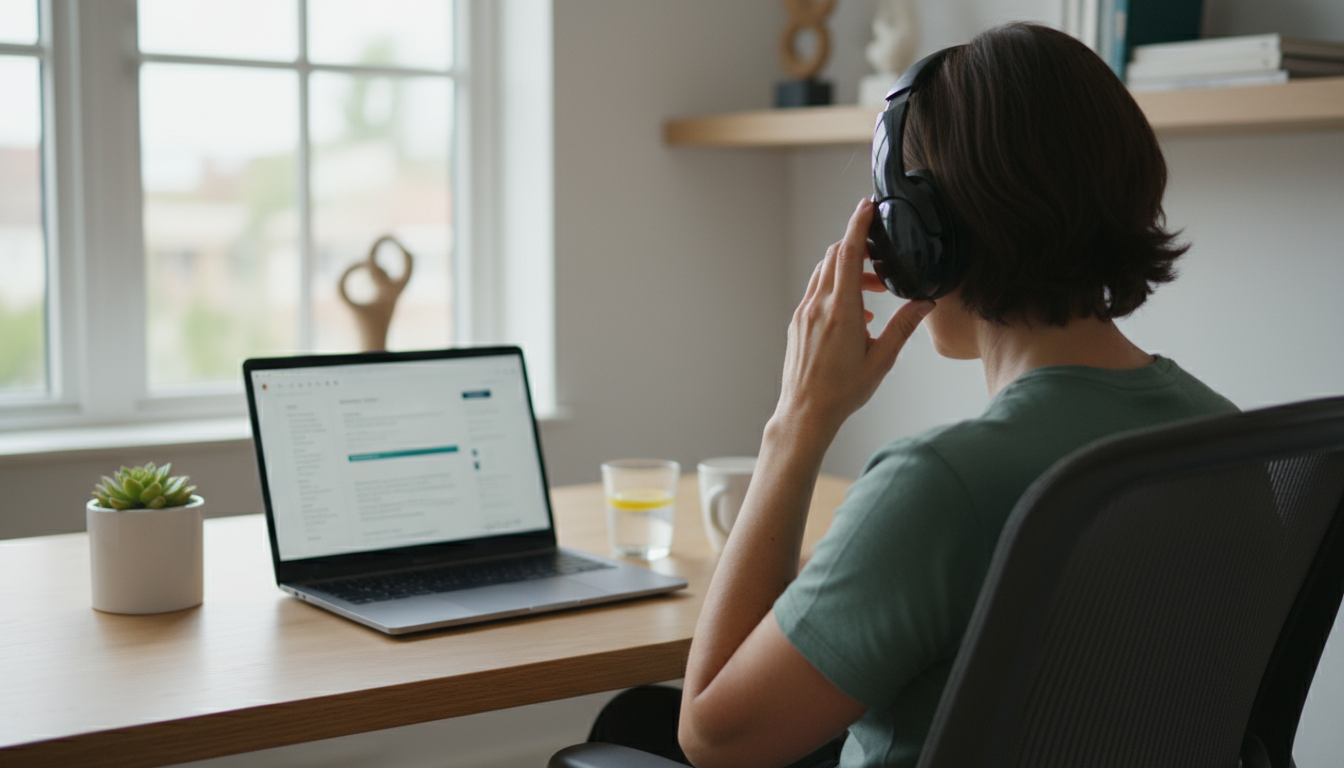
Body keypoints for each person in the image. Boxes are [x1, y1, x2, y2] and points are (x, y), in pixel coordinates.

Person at [588, 22, 1238, 768]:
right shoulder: (1225, 436)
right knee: (634, 719)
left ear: (927, 234)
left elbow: (713, 738)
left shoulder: (942, 485)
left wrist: (796, 424)